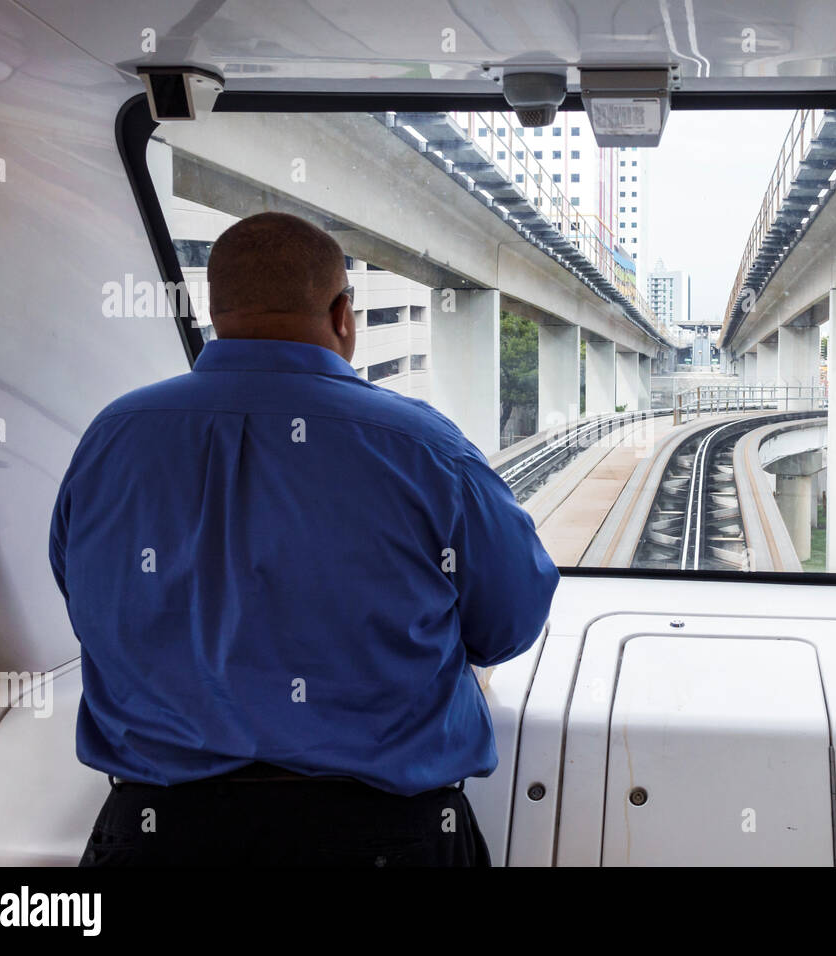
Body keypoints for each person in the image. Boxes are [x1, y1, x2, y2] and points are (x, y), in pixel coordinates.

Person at [49, 211, 559, 866]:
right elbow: (509, 623)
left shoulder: (112, 438)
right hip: (382, 838)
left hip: (155, 836)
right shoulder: (424, 448)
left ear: (215, 309)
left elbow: (84, 596)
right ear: (344, 314)